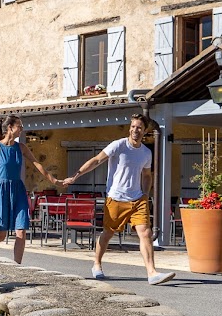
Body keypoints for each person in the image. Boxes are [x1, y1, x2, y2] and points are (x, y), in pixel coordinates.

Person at [62, 113, 174, 285]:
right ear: (130, 128)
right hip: (116, 197)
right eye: (134, 127)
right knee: (108, 233)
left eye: (139, 128)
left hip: (137, 199)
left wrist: (145, 193)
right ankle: (97, 264)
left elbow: (146, 175)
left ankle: (152, 273)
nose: (135, 130)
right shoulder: (118, 145)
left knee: (146, 233)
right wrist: (75, 176)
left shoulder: (146, 153)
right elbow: (96, 160)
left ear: (145, 132)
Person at [0, 115, 60, 264]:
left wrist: (53, 180)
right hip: (1, 191)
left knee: (21, 231)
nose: (22, 129)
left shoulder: (21, 147)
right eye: (19, 126)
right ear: (10, 128)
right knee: (1, 235)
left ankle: (17, 265)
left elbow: (37, 164)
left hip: (18, 191)